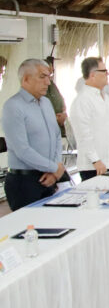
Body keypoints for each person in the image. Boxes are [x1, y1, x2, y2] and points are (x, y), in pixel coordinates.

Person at [2, 59, 67, 210]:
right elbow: (22, 149)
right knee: (29, 231)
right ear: (26, 79)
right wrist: (54, 167)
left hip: (49, 178)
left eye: (49, 77)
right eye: (42, 77)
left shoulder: (46, 103)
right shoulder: (13, 106)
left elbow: (56, 136)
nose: (48, 83)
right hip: (24, 182)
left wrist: (55, 169)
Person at [69, 57, 109, 181]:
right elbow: (83, 135)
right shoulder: (83, 100)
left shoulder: (105, 97)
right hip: (93, 167)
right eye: (104, 71)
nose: (107, 74)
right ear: (93, 75)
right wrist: (95, 160)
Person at [44, 56, 68, 141]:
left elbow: (62, 101)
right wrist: (56, 118)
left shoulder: (52, 85)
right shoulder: (36, 90)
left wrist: (64, 113)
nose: (50, 75)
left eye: (51, 72)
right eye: (48, 73)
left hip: (58, 131)